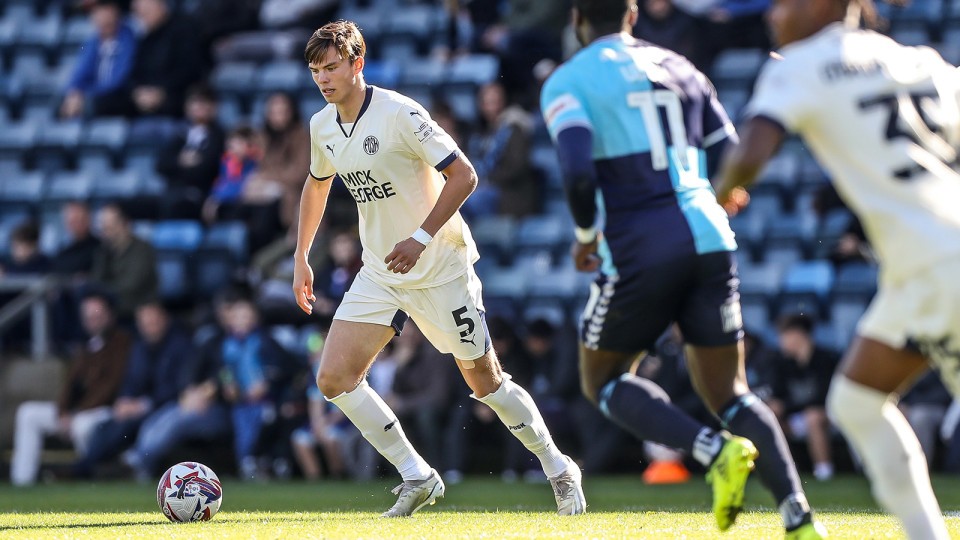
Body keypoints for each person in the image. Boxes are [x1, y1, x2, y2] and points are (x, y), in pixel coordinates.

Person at [539, 1, 823, 537]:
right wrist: (727, 191)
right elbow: (735, 152)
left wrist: (584, 238)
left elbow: (577, 174)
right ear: (632, 14)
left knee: (603, 380)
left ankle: (714, 451)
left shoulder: (567, 81)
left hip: (639, 243)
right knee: (732, 392)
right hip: (711, 235)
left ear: (578, 20)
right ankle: (799, 516)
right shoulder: (681, 67)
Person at [292, 20, 585, 517]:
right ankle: (417, 475)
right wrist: (301, 255)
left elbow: (464, 174)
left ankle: (559, 468)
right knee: (334, 377)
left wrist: (420, 237)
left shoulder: (400, 113)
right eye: (315, 69)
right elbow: (317, 185)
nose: (323, 78)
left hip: (440, 266)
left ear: (357, 64)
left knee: (485, 384)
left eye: (332, 66)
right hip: (381, 271)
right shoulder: (322, 125)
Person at [714, 0, 960, 537]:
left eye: (781, 4)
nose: (772, 16)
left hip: (936, 266)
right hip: (922, 268)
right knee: (854, 401)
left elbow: (750, 152)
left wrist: (720, 193)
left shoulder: (797, 66)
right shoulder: (921, 61)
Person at [10, 292, 132, 486]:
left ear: (110, 315)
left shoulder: (121, 343)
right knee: (28, 413)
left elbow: (110, 386)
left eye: (98, 315)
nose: (94, 320)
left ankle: (86, 477)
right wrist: (63, 411)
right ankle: (22, 480)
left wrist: (75, 414)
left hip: (104, 411)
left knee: (81, 426)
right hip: (75, 413)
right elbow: (69, 385)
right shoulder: (85, 346)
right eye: (89, 316)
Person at [72, 301, 192, 479]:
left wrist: (143, 404)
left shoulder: (180, 346)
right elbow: (131, 380)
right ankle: (92, 466)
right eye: (145, 324)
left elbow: (177, 387)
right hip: (138, 406)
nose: (150, 328)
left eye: (154, 322)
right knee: (103, 426)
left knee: (129, 427)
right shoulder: (140, 348)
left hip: (165, 406)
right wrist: (125, 400)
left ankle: (92, 468)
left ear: (165, 320)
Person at [768, 314, 840, 481]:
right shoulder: (782, 364)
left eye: (784, 336)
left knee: (813, 417)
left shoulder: (827, 359)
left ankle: (824, 471)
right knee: (770, 416)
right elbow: (779, 396)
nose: (781, 341)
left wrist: (788, 405)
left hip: (830, 415)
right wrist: (779, 406)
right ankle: (784, 471)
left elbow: (825, 397)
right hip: (797, 416)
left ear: (797, 335)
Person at [156, 85, 225, 220]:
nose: (197, 107)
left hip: (201, 195)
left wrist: (178, 166)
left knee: (176, 207)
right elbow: (160, 164)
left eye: (203, 102)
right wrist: (181, 161)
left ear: (213, 107)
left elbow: (207, 168)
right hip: (173, 193)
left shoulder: (220, 136)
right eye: (194, 102)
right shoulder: (180, 135)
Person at [60, 0, 137, 119]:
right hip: (92, 97)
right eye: (96, 12)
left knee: (91, 104)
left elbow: (120, 79)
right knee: (60, 103)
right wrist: (74, 93)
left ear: (115, 13)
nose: (101, 17)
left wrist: (86, 95)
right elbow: (80, 73)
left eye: (104, 10)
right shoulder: (92, 42)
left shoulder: (128, 39)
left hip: (116, 98)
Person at [91, 203, 158, 322]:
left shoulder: (142, 249)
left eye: (111, 227)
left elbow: (131, 285)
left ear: (125, 223)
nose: (107, 233)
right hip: (111, 310)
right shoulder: (104, 251)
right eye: (104, 228)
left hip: (137, 309)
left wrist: (105, 291)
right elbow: (96, 281)